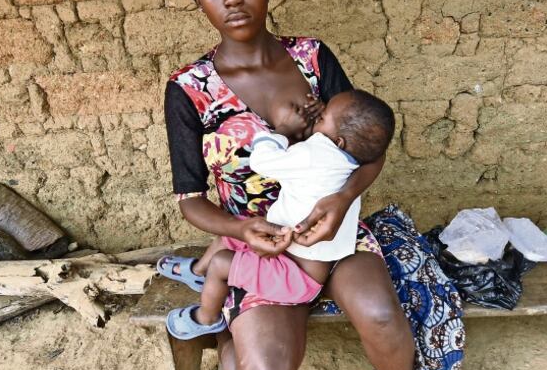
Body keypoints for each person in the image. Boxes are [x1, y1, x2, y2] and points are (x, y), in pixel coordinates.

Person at [159, 0, 441, 370]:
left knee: (385, 316)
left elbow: (368, 147)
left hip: (335, 235)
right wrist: (240, 227)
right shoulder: (188, 90)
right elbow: (191, 202)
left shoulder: (314, 59)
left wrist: (341, 199)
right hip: (261, 246)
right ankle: (224, 323)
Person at [162, 89, 396, 339]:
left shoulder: (315, 155)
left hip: (296, 277)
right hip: (297, 258)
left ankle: (207, 318)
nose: (317, 117)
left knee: (222, 263)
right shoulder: (350, 164)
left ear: (337, 142)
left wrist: (280, 131)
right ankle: (198, 273)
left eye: (323, 117)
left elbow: (262, 162)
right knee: (237, 228)